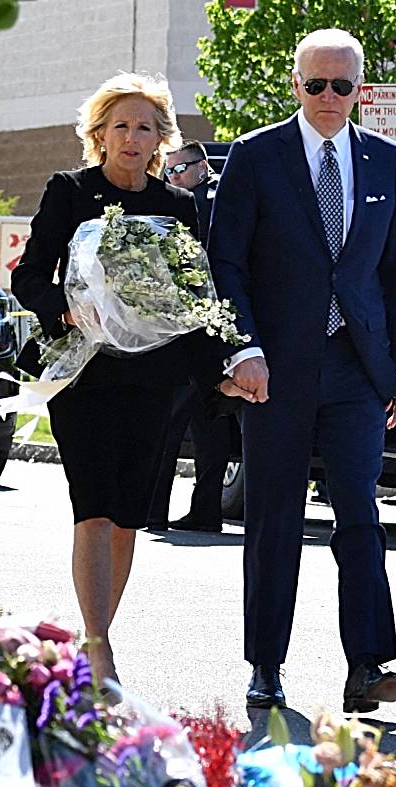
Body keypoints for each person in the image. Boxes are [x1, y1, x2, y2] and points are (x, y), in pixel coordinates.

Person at [209, 29, 396, 713]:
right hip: (275, 368)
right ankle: (265, 664)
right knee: (274, 517)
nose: (328, 97)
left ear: (360, 89)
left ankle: (367, 665)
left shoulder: (386, 162)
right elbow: (227, 263)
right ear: (295, 84)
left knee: (361, 512)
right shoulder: (255, 156)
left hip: (358, 369)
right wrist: (242, 349)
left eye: (342, 85)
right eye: (315, 84)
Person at [9, 73, 228, 685]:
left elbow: (195, 299)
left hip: (154, 381)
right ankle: (99, 647)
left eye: (145, 127)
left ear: (162, 138)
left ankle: (99, 632)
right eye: (121, 126)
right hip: (85, 376)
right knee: (95, 510)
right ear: (99, 134)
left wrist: (221, 374)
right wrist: (66, 307)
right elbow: (27, 277)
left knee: (129, 515)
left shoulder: (179, 206)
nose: (133, 137)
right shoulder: (70, 192)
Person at [146, 140, 231, 533]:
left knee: (169, 421)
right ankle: (206, 509)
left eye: (178, 170)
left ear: (202, 166)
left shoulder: (198, 201)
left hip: (189, 327)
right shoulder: (224, 197)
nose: (172, 178)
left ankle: (153, 508)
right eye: (168, 172)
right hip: (217, 328)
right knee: (208, 425)